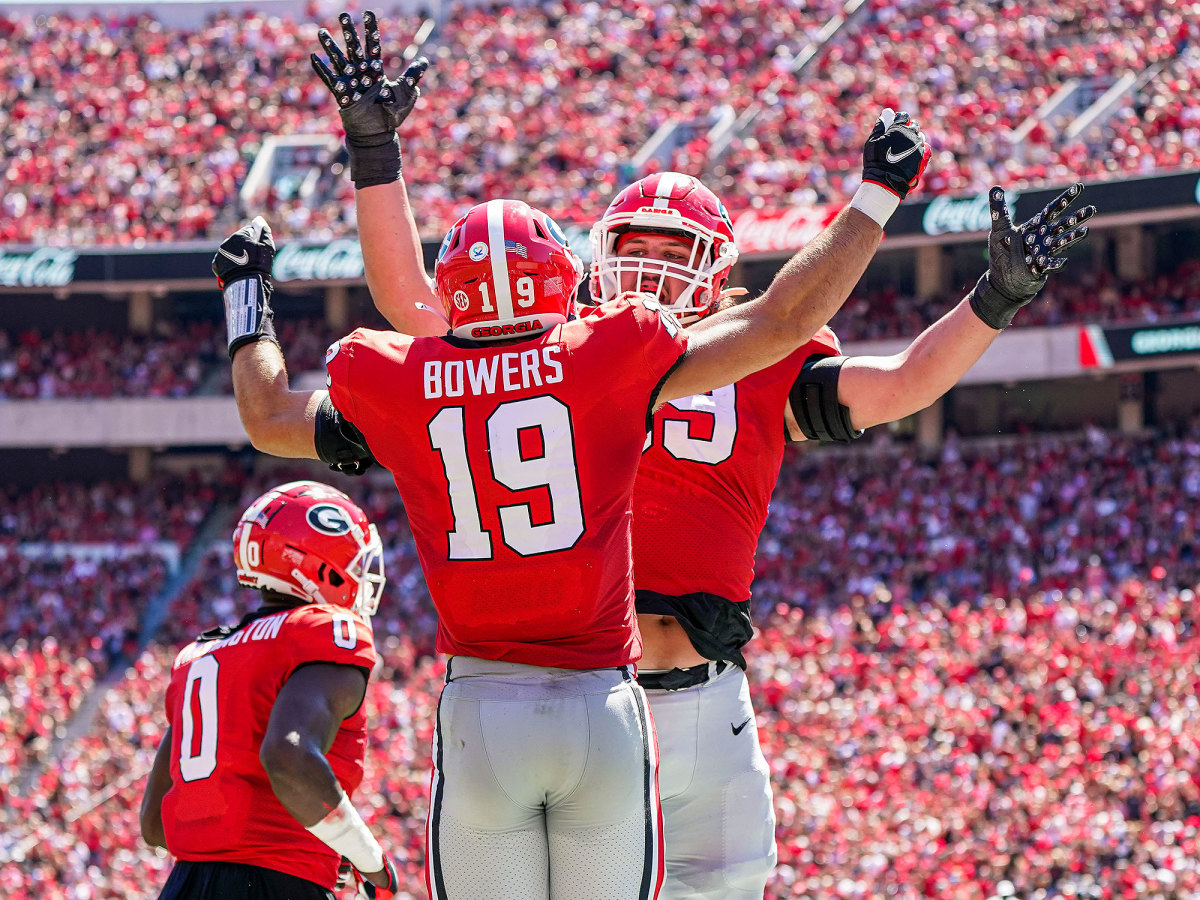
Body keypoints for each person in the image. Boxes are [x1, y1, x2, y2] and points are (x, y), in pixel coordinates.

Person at [313, 16, 1094, 899]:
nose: (648, 271)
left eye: (671, 252)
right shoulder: (566, 349)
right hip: (593, 700)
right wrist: (377, 158)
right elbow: (418, 304)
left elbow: (903, 383)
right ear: (593, 262)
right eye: (632, 250)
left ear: (718, 270)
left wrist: (994, 300)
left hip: (706, 698)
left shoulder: (751, 360)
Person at [212, 69, 926, 895]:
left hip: (482, 696)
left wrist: (249, 297)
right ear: (568, 280)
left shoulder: (402, 373)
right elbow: (780, 320)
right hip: (602, 698)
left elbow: (276, 407)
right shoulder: (603, 360)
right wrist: (874, 196)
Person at [140, 480, 395, 900]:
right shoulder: (324, 630)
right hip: (277, 886)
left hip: (184, 886)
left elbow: (154, 822)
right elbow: (288, 756)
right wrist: (368, 857)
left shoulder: (198, 654)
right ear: (319, 564)